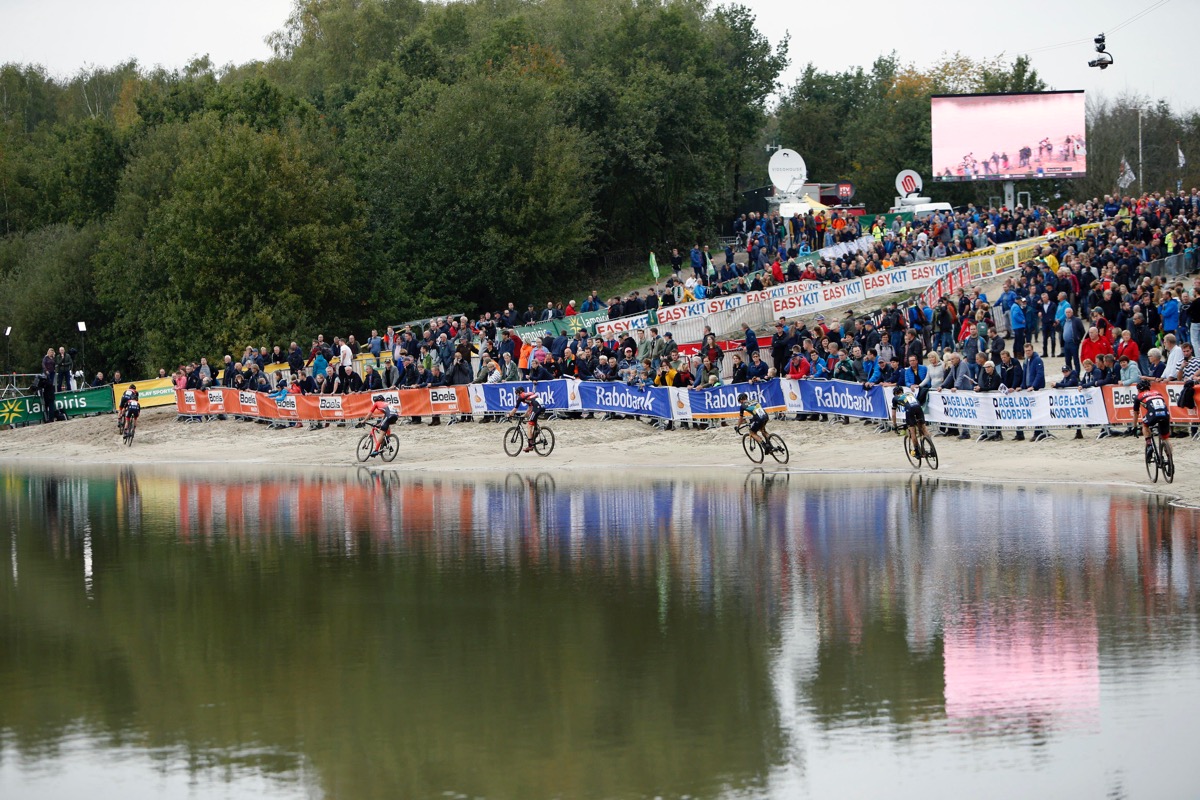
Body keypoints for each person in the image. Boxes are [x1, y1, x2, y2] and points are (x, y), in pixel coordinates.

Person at [1134, 379, 1172, 464]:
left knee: (1145, 425)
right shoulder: (1158, 393)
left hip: (1153, 414)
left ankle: (1149, 444)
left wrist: (1134, 427)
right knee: (1165, 438)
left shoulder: (1139, 396)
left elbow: (1136, 413)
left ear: (1139, 390)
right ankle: (1170, 460)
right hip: (1165, 414)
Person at [890, 385, 931, 455]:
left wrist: (895, 425)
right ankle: (931, 448)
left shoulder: (895, 398)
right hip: (918, 407)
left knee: (912, 431)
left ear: (895, 393)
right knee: (924, 428)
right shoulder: (909, 393)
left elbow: (893, 415)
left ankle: (917, 451)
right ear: (902, 391)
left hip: (910, 410)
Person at [506, 384, 544, 453]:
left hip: (537, 407)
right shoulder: (528, 395)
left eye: (517, 393)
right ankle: (535, 435)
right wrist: (524, 416)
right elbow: (529, 409)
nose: (517, 395)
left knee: (529, 425)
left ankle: (530, 445)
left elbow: (515, 409)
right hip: (541, 406)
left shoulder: (521, 396)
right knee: (532, 422)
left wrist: (509, 415)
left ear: (520, 392)